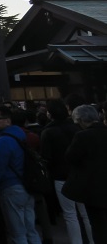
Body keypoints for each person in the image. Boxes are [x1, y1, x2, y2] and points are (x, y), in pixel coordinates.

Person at [40, 99, 94, 244]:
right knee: (86, 214)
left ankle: (76, 241)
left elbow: (46, 157)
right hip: (82, 174)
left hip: (61, 176)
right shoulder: (77, 129)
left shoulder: (48, 132)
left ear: (50, 114)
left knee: (70, 215)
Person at [0, 105, 42, 244]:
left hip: (10, 187)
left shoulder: (3, 141)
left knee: (17, 232)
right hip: (26, 184)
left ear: (7, 120)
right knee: (30, 228)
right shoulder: (19, 135)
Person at [63, 104, 107, 243]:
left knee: (98, 225)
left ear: (80, 120)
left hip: (93, 187)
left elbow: (70, 157)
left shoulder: (82, 136)